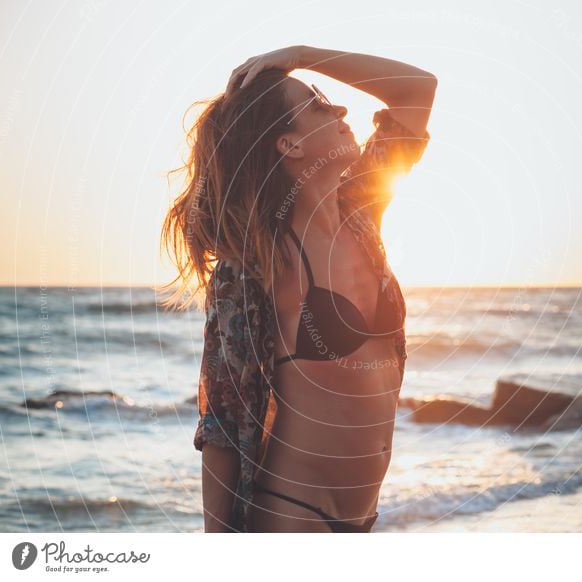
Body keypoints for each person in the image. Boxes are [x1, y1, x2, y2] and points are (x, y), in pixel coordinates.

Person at [160, 45, 436, 532]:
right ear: (290, 146)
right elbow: (222, 419)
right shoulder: (253, 266)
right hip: (293, 519)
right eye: (317, 105)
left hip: (364, 520)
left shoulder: (361, 211)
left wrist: (303, 55)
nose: (342, 108)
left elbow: (417, 90)